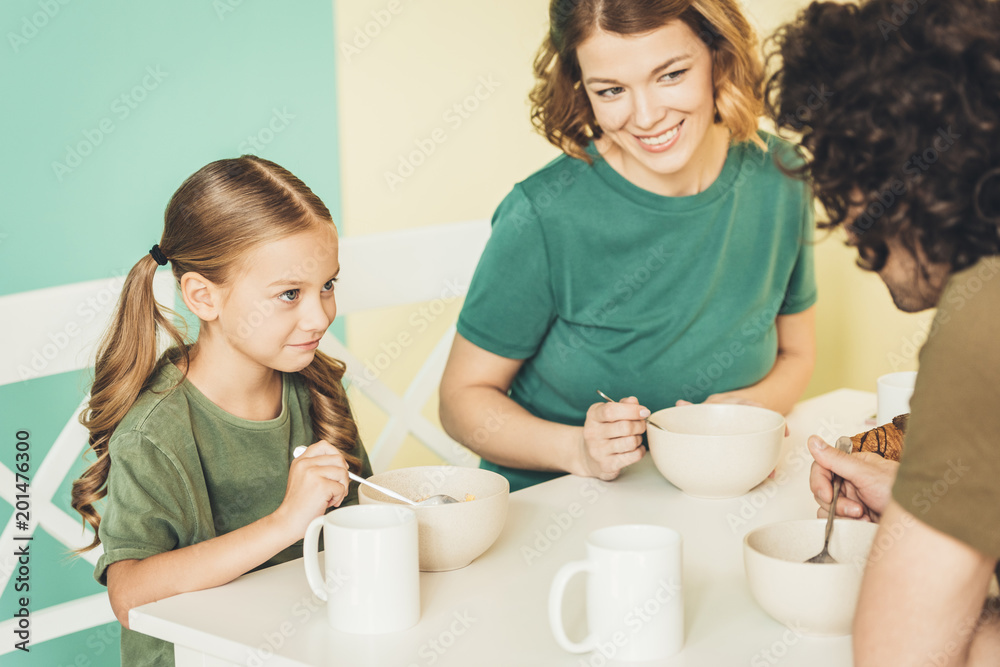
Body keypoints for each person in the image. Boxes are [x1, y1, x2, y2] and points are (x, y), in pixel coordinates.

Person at [439, 0, 818, 492]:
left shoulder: (782, 175)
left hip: (717, 495)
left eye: (671, 74)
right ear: (581, 88)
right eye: (612, 90)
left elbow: (797, 353)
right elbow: (461, 399)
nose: (646, 116)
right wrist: (577, 449)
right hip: (559, 505)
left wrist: (750, 409)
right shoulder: (544, 212)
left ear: (719, 57)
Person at [767, 0, 1000, 663]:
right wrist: (922, 496)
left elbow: (897, 656)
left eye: (840, 178)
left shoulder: (981, 323)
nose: (844, 222)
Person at [70, 156, 372, 666]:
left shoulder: (314, 384)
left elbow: (363, 522)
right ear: (203, 297)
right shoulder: (155, 433)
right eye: (290, 294)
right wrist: (284, 522)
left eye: (327, 286)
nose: (320, 316)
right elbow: (129, 594)